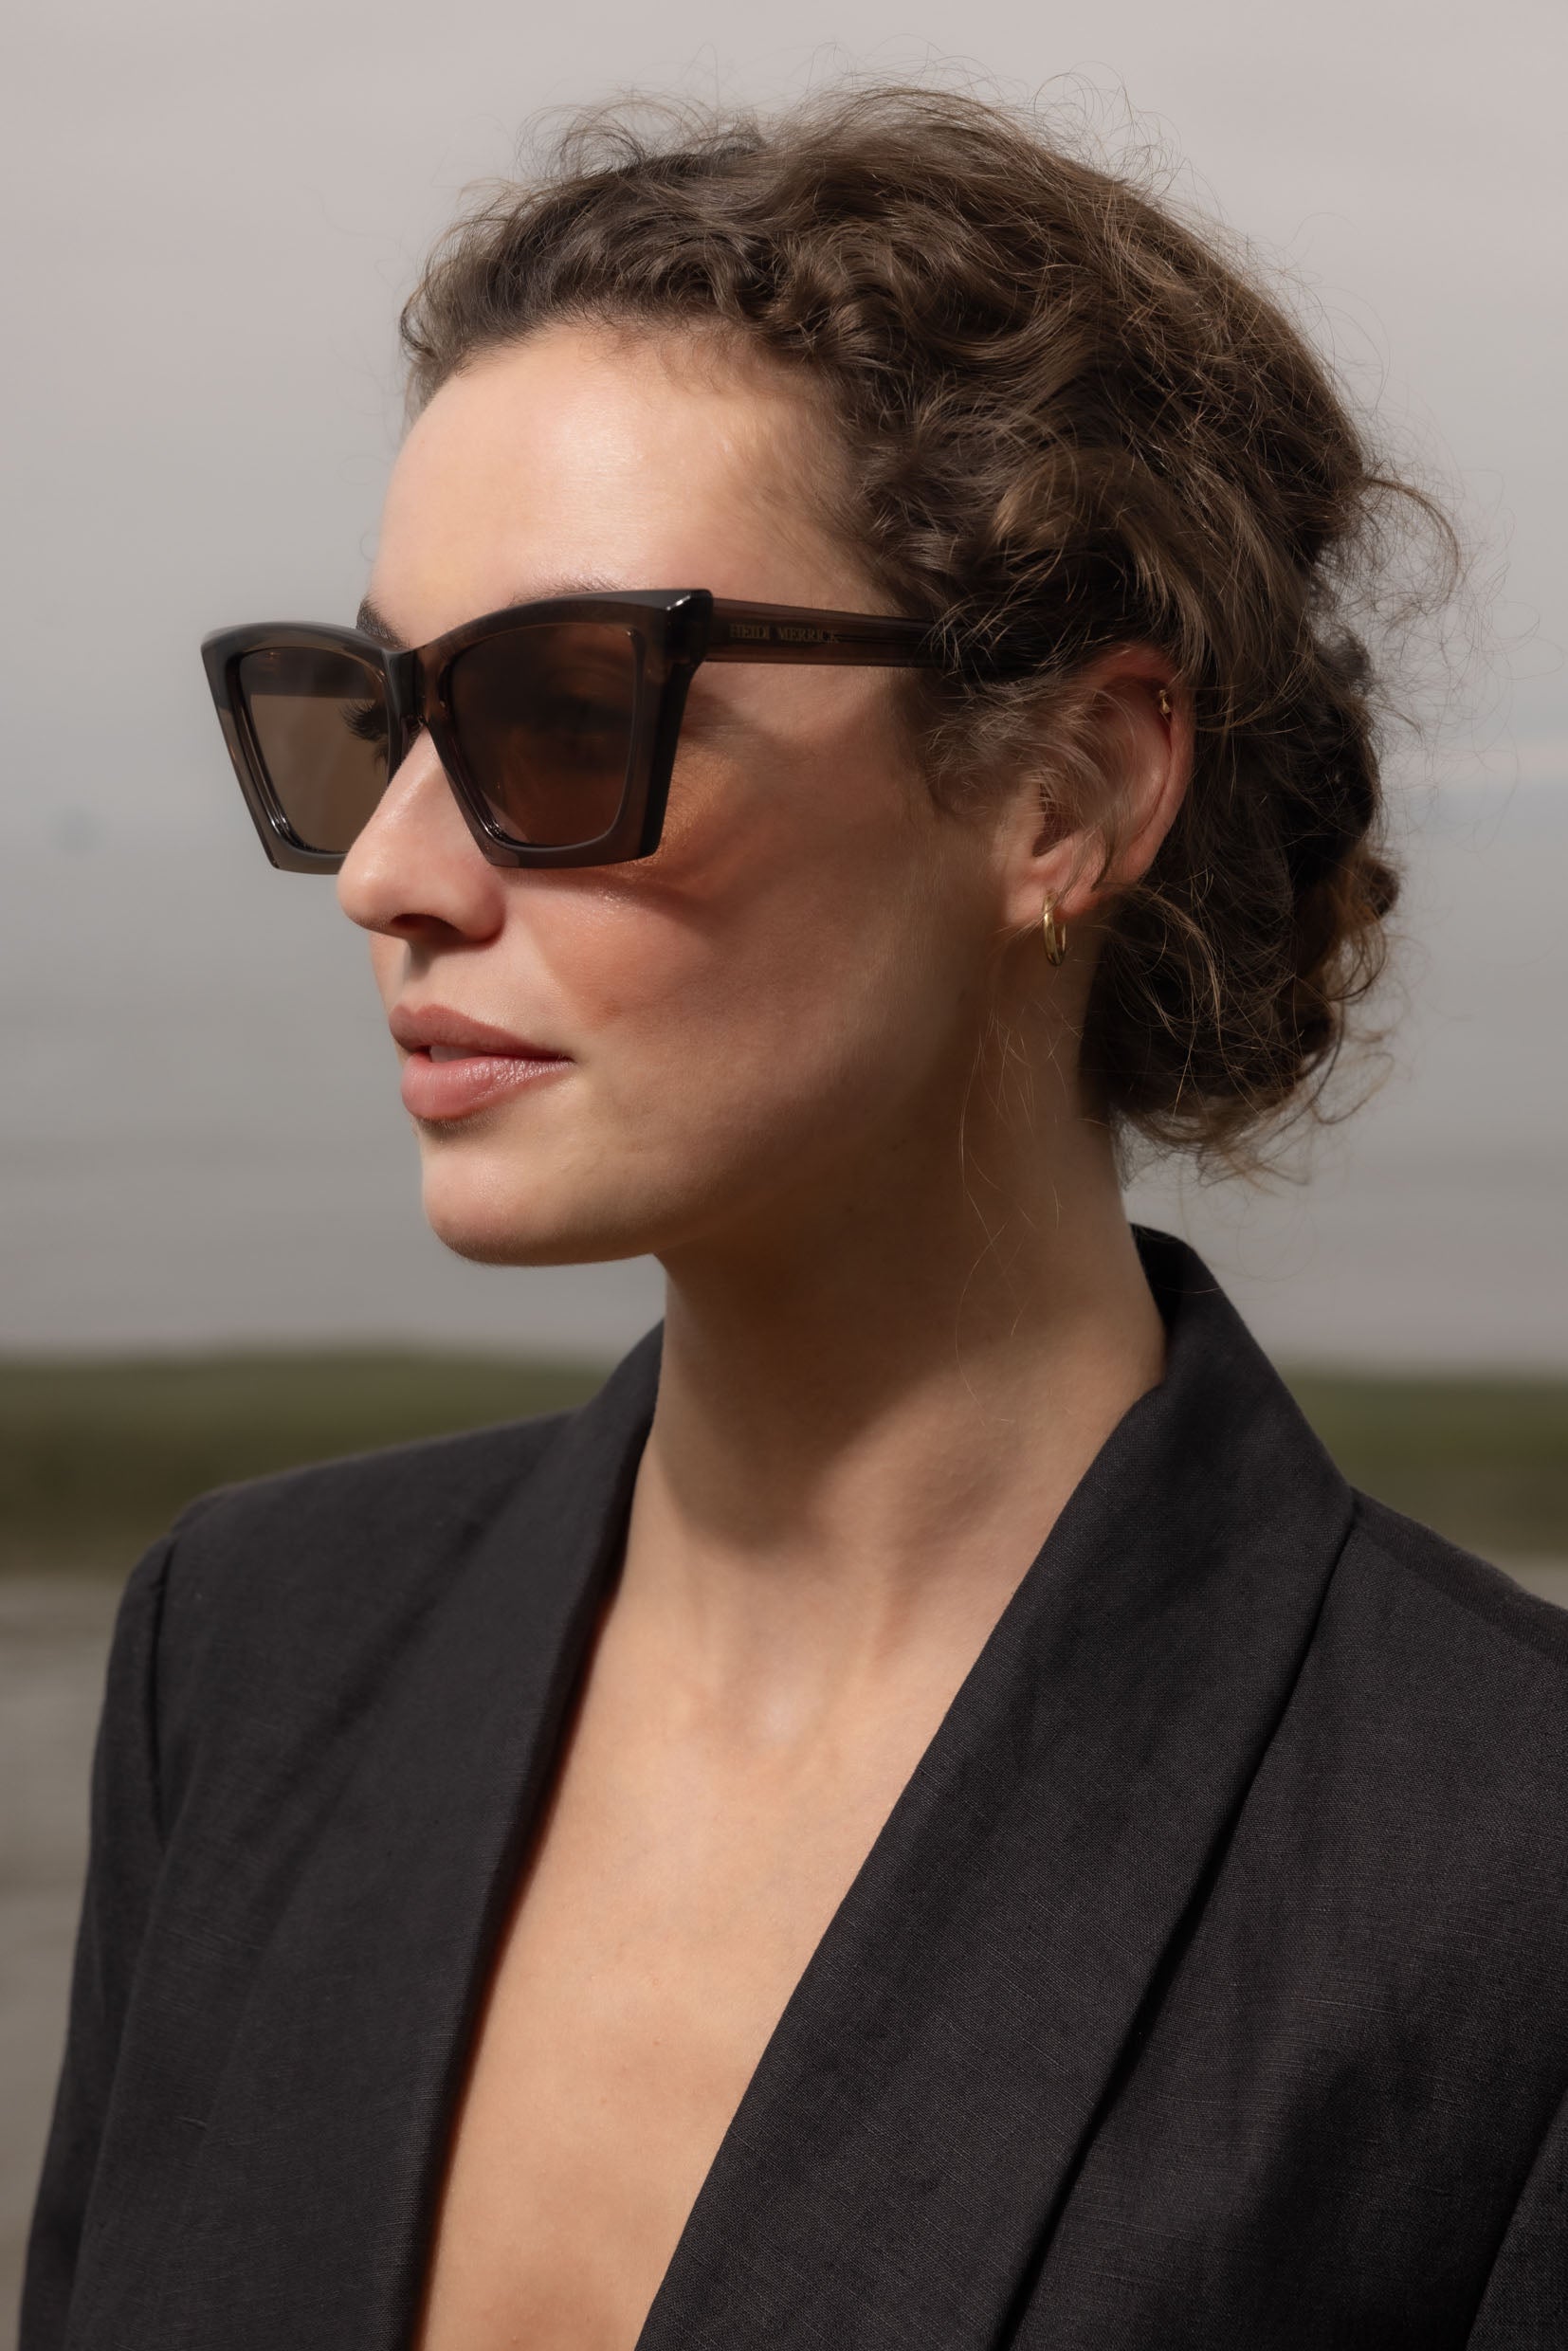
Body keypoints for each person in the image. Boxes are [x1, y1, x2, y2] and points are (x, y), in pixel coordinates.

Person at [24, 85, 1568, 2351]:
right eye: (368, 720)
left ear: (1064, 787)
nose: (389, 874)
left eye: (568, 714)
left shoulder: (1496, 1872)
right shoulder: (247, 1657)